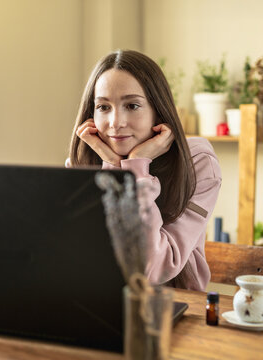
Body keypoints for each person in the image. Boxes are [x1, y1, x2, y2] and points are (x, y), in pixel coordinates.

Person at [67, 50, 221, 291]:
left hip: (177, 304)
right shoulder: (85, 159)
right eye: (103, 107)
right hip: (100, 301)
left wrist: (136, 168)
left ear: (158, 111)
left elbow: (152, 267)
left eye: (132, 105)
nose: (116, 122)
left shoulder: (198, 163)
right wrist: (113, 165)